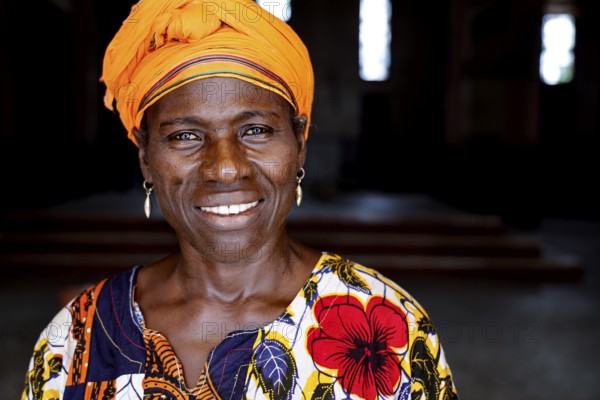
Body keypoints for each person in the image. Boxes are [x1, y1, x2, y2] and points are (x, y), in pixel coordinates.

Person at [21, 0, 459, 399]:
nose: (226, 168)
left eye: (256, 130)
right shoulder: (76, 335)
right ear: (146, 159)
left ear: (300, 142)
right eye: (185, 136)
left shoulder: (387, 326)